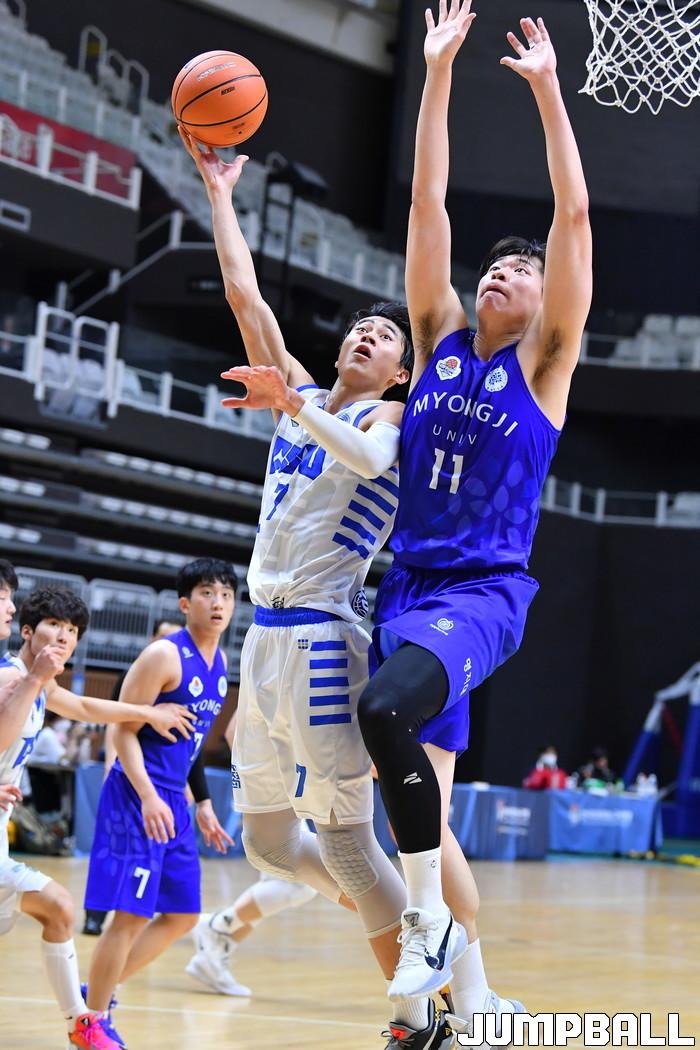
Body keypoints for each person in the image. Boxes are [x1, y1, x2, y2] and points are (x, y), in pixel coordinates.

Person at [179, 129, 453, 1048]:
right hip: (261, 640)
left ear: (401, 370)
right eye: (360, 327)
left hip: (326, 641)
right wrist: (220, 192)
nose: (366, 334)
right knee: (267, 843)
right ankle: (407, 924)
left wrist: (293, 402)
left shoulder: (394, 417)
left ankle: (420, 1017)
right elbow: (245, 296)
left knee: (344, 841)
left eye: (385, 336)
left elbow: (368, 459)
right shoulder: (298, 395)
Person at [356, 0, 592, 1037]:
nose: (504, 270)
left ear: (545, 303)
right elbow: (427, 199)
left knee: (381, 713)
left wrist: (547, 92)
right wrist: (439, 71)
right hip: (406, 585)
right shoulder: (438, 334)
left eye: (522, 269)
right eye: (495, 264)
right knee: (423, 812)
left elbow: (572, 219)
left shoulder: (545, 367)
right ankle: (473, 1003)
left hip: (483, 594)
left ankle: (425, 933)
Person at [0, 563, 195, 1050]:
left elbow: (87, 708)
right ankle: (83, 1023)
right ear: (28, 632)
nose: (64, 637)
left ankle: (81, 1024)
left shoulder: (39, 683)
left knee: (58, 910)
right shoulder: (13, 677)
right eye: (54, 626)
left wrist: (147, 712)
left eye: (72, 631)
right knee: (60, 908)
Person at [82, 559, 236, 1047]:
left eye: (226, 594)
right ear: (185, 603)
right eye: (207, 593)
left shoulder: (221, 663)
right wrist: (148, 796)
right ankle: (91, 1020)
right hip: (138, 795)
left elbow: (191, 740)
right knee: (130, 915)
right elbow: (122, 730)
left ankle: (97, 995)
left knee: (183, 915)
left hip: (175, 801)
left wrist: (203, 803)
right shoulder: (163, 656)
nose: (218, 603)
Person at [186, 710, 317, 998]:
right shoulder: (271, 682)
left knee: (281, 883)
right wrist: (267, 781)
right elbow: (234, 731)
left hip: (285, 788)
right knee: (300, 882)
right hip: (270, 790)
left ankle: (216, 951)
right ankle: (216, 926)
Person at [82, 619, 196, 938]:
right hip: (128, 773)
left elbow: (186, 736)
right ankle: (94, 915)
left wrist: (188, 783)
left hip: (163, 780)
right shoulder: (137, 671)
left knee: (148, 870)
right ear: (152, 638)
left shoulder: (183, 675)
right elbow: (116, 721)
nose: (169, 642)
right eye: (163, 636)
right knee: (111, 852)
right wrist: (111, 762)